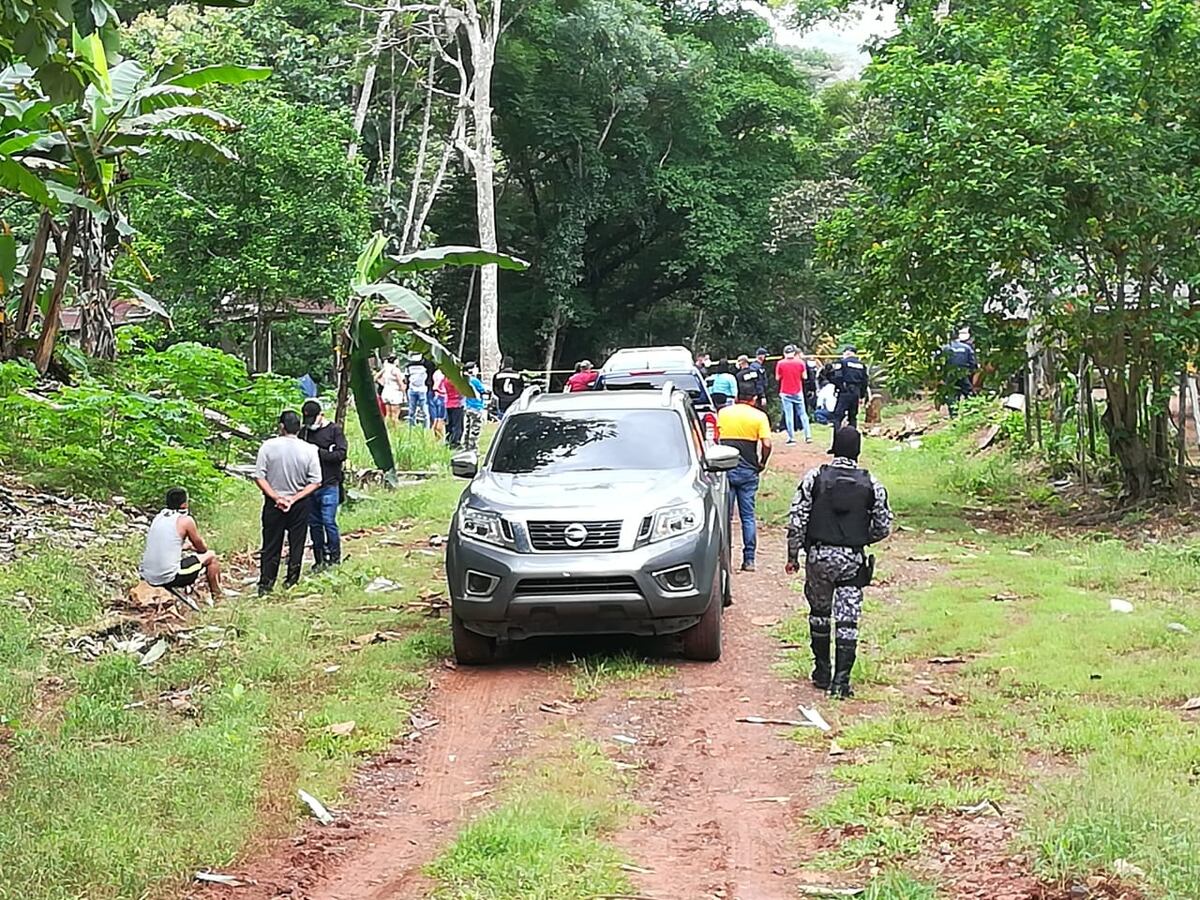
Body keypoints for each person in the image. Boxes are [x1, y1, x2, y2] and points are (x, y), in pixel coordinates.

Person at [785, 426, 893, 699]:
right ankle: (841, 682)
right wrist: (859, 538)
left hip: (819, 556)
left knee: (820, 613)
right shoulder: (872, 484)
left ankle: (822, 671)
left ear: (834, 449)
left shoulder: (814, 478)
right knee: (848, 620)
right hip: (852, 560)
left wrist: (793, 555)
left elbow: (797, 520)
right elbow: (883, 527)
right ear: (857, 451)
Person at [254, 410, 322, 595]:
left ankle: (266, 584)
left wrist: (276, 497)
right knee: (296, 542)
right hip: (299, 503)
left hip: (273, 502)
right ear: (299, 428)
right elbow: (316, 481)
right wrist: (294, 498)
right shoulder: (309, 449)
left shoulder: (267, 446)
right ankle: (291, 581)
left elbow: (259, 477)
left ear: (281, 426)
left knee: (271, 544)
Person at [717, 377, 773, 572]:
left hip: (726, 469)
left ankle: (726, 560)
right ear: (754, 398)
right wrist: (762, 462)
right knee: (747, 516)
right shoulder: (759, 417)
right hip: (749, 469)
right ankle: (749, 560)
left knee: (726, 517)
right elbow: (766, 444)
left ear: (737, 396)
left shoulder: (723, 413)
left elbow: (715, 439)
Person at [140, 487, 225, 600]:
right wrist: (199, 549)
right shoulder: (185, 520)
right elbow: (201, 547)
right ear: (184, 504)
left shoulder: (158, 517)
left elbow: (166, 544)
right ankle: (218, 596)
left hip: (147, 574)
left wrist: (186, 546)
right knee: (211, 556)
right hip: (169, 576)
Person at [301, 399, 347, 572]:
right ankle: (319, 558)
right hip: (310, 485)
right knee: (314, 524)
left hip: (330, 483)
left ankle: (334, 556)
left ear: (321, 415)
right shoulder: (304, 432)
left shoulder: (334, 430)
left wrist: (317, 452)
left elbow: (340, 454)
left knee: (329, 521)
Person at [776, 344, 812, 445]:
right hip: (797, 390)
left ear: (784, 353)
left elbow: (778, 378)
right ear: (794, 353)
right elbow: (804, 377)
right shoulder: (800, 362)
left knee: (789, 415)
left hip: (785, 391)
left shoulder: (780, 363)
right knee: (803, 414)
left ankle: (792, 438)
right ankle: (808, 436)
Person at [939, 328, 978, 417]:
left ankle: (954, 414)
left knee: (951, 394)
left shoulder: (944, 348)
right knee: (968, 392)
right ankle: (973, 411)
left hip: (950, 375)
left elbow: (939, 363)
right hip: (963, 374)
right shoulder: (967, 347)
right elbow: (973, 363)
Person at [829, 345, 869, 429]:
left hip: (845, 391)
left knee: (837, 417)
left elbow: (836, 377)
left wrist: (840, 387)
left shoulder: (842, 363)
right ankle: (853, 439)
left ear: (846, 353)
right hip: (856, 393)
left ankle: (837, 439)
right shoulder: (861, 365)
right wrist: (862, 395)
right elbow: (865, 381)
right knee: (853, 417)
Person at [463, 362, 487, 452]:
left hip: (467, 406)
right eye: (475, 367)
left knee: (467, 428)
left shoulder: (464, 380)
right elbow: (483, 390)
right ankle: (473, 448)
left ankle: (466, 446)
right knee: (475, 428)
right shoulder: (475, 380)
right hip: (476, 407)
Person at [376, 355, 405, 423]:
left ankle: (386, 429)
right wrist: (404, 394)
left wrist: (382, 383)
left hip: (386, 392)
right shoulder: (395, 370)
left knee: (388, 414)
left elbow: (376, 377)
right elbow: (400, 383)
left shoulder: (386, 369)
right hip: (395, 393)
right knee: (395, 415)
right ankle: (396, 431)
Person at [404, 352, 430, 427]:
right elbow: (406, 378)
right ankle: (413, 427)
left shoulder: (425, 366)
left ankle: (425, 428)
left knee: (422, 411)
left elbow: (406, 378)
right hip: (413, 389)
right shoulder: (409, 367)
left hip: (421, 389)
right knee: (413, 411)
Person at [445, 374, 465, 449]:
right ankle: (455, 441)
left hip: (448, 404)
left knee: (449, 424)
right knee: (458, 425)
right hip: (457, 404)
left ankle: (448, 440)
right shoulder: (455, 382)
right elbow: (461, 392)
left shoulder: (445, 380)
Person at [430, 369, 447, 439]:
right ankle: (440, 438)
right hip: (442, 396)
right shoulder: (444, 374)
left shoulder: (436, 372)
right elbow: (437, 385)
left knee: (436, 419)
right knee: (441, 419)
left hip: (436, 396)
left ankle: (435, 438)